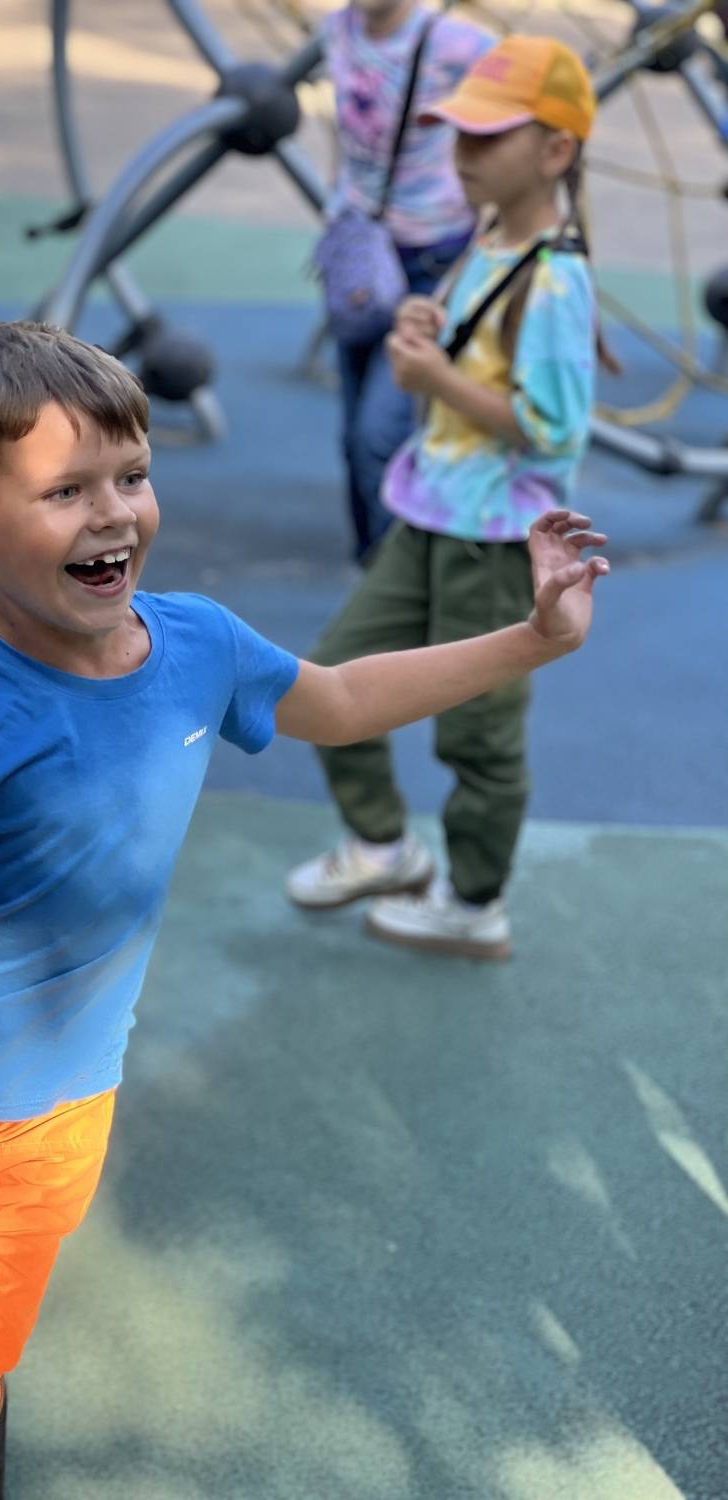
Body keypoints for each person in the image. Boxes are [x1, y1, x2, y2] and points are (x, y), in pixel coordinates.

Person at [0, 320, 607, 1500]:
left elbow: (338, 700)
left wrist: (534, 639)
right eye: (66, 491)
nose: (114, 514)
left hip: (57, 1107)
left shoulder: (197, 645)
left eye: (132, 476)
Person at [287, 35, 605, 961]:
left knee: (478, 730)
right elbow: (475, 356)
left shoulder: (556, 277)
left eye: (487, 137)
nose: (462, 154)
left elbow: (553, 428)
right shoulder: (488, 239)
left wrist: (435, 378)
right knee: (327, 681)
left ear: (554, 150)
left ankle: (473, 901)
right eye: (459, 133)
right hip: (430, 512)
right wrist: (429, 327)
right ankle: (383, 845)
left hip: (494, 535)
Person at [321, 0, 493, 562]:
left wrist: (488, 221)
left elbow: (513, 116)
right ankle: (371, 566)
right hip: (363, 253)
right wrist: (340, 207)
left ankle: (393, 575)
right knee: (353, 433)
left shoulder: (457, 43)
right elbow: (344, 135)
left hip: (430, 257)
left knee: (379, 434)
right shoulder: (338, 29)